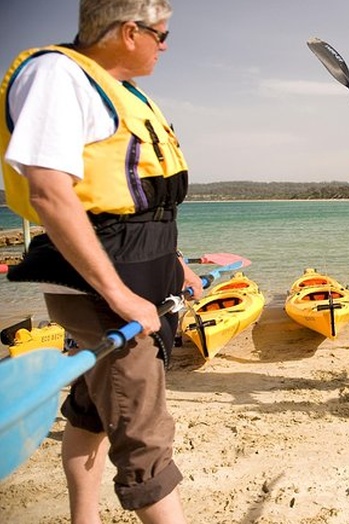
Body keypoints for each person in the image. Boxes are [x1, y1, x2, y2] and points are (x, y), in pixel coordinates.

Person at [0, 1, 202, 521]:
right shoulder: (58, 75)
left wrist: (176, 263)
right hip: (104, 287)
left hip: (141, 277)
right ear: (128, 32)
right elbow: (48, 191)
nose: (166, 46)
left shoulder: (124, 92)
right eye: (162, 35)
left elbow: (141, 201)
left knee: (90, 415)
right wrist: (119, 294)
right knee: (147, 442)